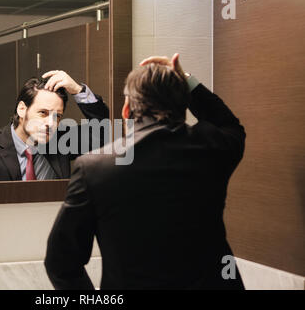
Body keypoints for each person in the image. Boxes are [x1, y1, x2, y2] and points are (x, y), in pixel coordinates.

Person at [44, 54, 246, 289]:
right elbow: (229, 124)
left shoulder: (95, 169)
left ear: (127, 110)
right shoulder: (211, 148)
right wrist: (186, 79)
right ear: (184, 107)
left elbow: (60, 263)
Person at [0, 70, 109, 182]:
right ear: (22, 109)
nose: (51, 123)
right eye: (43, 113)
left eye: (57, 116)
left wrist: (78, 90)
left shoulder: (61, 140)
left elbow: (102, 132)